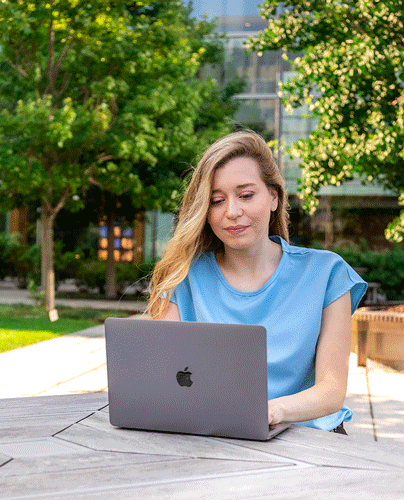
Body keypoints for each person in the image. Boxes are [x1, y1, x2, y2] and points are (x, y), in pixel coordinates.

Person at [146, 130, 366, 434]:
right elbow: (164, 380)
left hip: (308, 438)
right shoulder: (185, 278)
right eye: (216, 200)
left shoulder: (326, 273)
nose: (232, 212)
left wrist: (271, 411)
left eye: (246, 195)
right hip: (216, 434)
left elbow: (330, 391)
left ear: (274, 197)